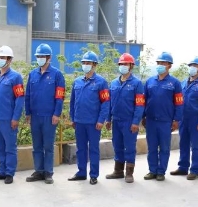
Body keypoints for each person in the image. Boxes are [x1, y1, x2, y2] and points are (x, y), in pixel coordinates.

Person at [24, 43, 66, 185]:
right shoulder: (32, 74)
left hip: (49, 116)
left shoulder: (57, 75)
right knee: (37, 146)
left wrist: (57, 114)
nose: (40, 58)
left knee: (48, 146)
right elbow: (28, 95)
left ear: (49, 58)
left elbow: (60, 96)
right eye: (38, 56)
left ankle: (48, 172)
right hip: (35, 116)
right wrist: (27, 112)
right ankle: (39, 171)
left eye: (43, 56)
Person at [67, 51, 110, 185]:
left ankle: (94, 175)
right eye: (84, 62)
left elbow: (105, 103)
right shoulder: (77, 82)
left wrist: (101, 120)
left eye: (88, 63)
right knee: (80, 149)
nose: (85, 65)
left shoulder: (101, 82)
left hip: (93, 123)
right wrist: (73, 118)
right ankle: (81, 173)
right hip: (79, 122)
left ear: (94, 65)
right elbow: (73, 102)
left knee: (93, 149)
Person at [142, 52, 184, 181]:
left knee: (164, 148)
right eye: (158, 63)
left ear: (169, 66)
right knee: (152, 147)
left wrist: (176, 120)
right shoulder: (149, 81)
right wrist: (143, 116)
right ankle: (152, 170)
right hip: (151, 120)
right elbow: (143, 101)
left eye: (163, 63)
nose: (160, 65)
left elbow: (179, 103)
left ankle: (161, 171)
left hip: (166, 121)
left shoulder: (175, 83)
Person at [0, 45, 25, 184]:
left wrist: (16, 118)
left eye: (3, 57)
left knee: (10, 147)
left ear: (9, 60)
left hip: (8, 119)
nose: (0, 60)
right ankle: (1, 171)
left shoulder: (16, 77)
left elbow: (20, 98)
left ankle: (9, 172)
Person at [170, 57, 198, 180]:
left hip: (196, 119)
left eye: (195, 66)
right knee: (183, 143)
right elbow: (177, 101)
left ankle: (195, 170)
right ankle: (183, 167)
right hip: (183, 119)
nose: (192, 68)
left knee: (196, 146)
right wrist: (176, 118)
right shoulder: (183, 83)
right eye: (191, 65)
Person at [105, 52, 144, 184]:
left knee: (130, 147)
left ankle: (129, 173)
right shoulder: (114, 83)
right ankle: (118, 171)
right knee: (117, 146)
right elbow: (110, 102)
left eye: (125, 64)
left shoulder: (137, 84)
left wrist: (136, 122)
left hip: (129, 121)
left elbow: (140, 104)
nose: (123, 66)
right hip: (116, 120)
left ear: (131, 66)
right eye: (121, 64)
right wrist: (108, 119)